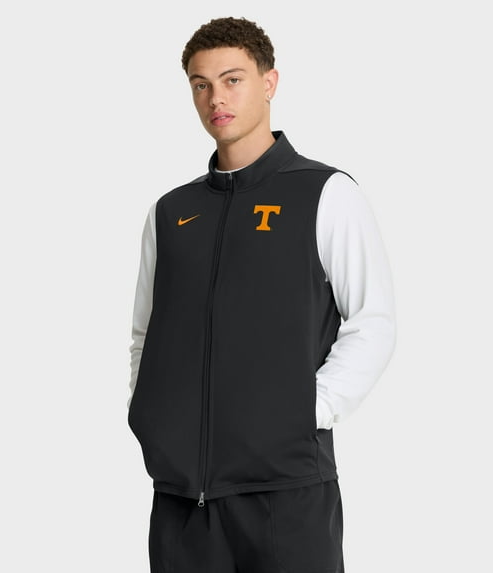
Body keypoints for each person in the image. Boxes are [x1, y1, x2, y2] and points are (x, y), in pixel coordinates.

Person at [127, 16, 396, 573]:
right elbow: (146, 332)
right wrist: (150, 414)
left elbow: (372, 321)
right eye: (201, 84)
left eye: (232, 80)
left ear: (269, 83)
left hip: (285, 493)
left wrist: (304, 412)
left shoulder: (324, 192)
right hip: (181, 500)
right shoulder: (172, 211)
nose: (216, 99)